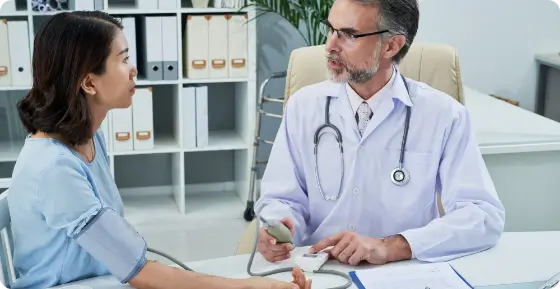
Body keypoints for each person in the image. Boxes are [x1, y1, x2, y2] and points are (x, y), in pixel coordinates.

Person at [7, 11, 310, 289]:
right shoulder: (54, 168)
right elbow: (138, 271)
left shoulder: (88, 139)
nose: (134, 69)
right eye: (123, 59)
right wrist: (249, 287)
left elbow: (125, 260)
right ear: (89, 82)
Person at [256, 0, 506, 266]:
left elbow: (483, 216)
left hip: (404, 271)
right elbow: (282, 198)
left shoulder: (443, 115)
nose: (329, 45)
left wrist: (393, 246)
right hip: (320, 269)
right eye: (331, 29)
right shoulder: (303, 107)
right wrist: (280, 226)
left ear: (391, 45)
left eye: (349, 35)